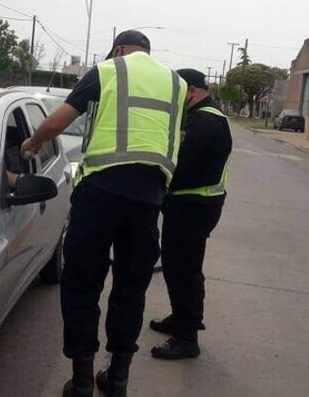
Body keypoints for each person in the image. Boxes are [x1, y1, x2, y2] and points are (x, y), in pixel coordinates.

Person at [20, 31, 187, 397]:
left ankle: (81, 381)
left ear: (121, 49)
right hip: (148, 199)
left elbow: (55, 123)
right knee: (131, 288)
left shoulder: (108, 70)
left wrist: (31, 143)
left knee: (82, 285)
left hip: (101, 194)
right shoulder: (177, 83)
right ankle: (117, 380)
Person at [149, 68, 233, 360]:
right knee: (175, 266)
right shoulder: (200, 117)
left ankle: (187, 338)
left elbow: (181, 164)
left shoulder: (206, 120)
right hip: (188, 204)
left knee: (185, 269)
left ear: (192, 90)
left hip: (194, 206)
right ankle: (180, 319)